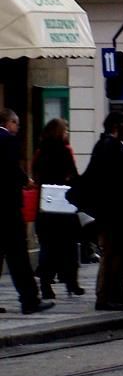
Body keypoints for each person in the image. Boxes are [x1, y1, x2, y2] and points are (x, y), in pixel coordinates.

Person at [77, 111, 123, 311]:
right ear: (117, 126)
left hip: (114, 210)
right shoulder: (109, 147)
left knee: (119, 254)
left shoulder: (107, 146)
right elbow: (114, 179)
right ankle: (105, 296)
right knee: (112, 253)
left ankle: (118, 293)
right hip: (112, 211)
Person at [0, 109, 54, 314]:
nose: (19, 128)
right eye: (17, 124)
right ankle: (30, 299)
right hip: (8, 208)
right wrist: (26, 181)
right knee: (18, 256)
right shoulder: (8, 141)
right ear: (9, 123)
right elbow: (11, 169)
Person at [33, 117, 83, 298]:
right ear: (59, 132)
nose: (67, 133)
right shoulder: (64, 151)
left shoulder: (41, 151)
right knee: (69, 247)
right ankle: (72, 282)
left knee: (48, 247)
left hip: (46, 206)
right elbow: (73, 176)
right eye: (65, 129)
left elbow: (36, 174)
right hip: (63, 207)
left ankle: (46, 285)